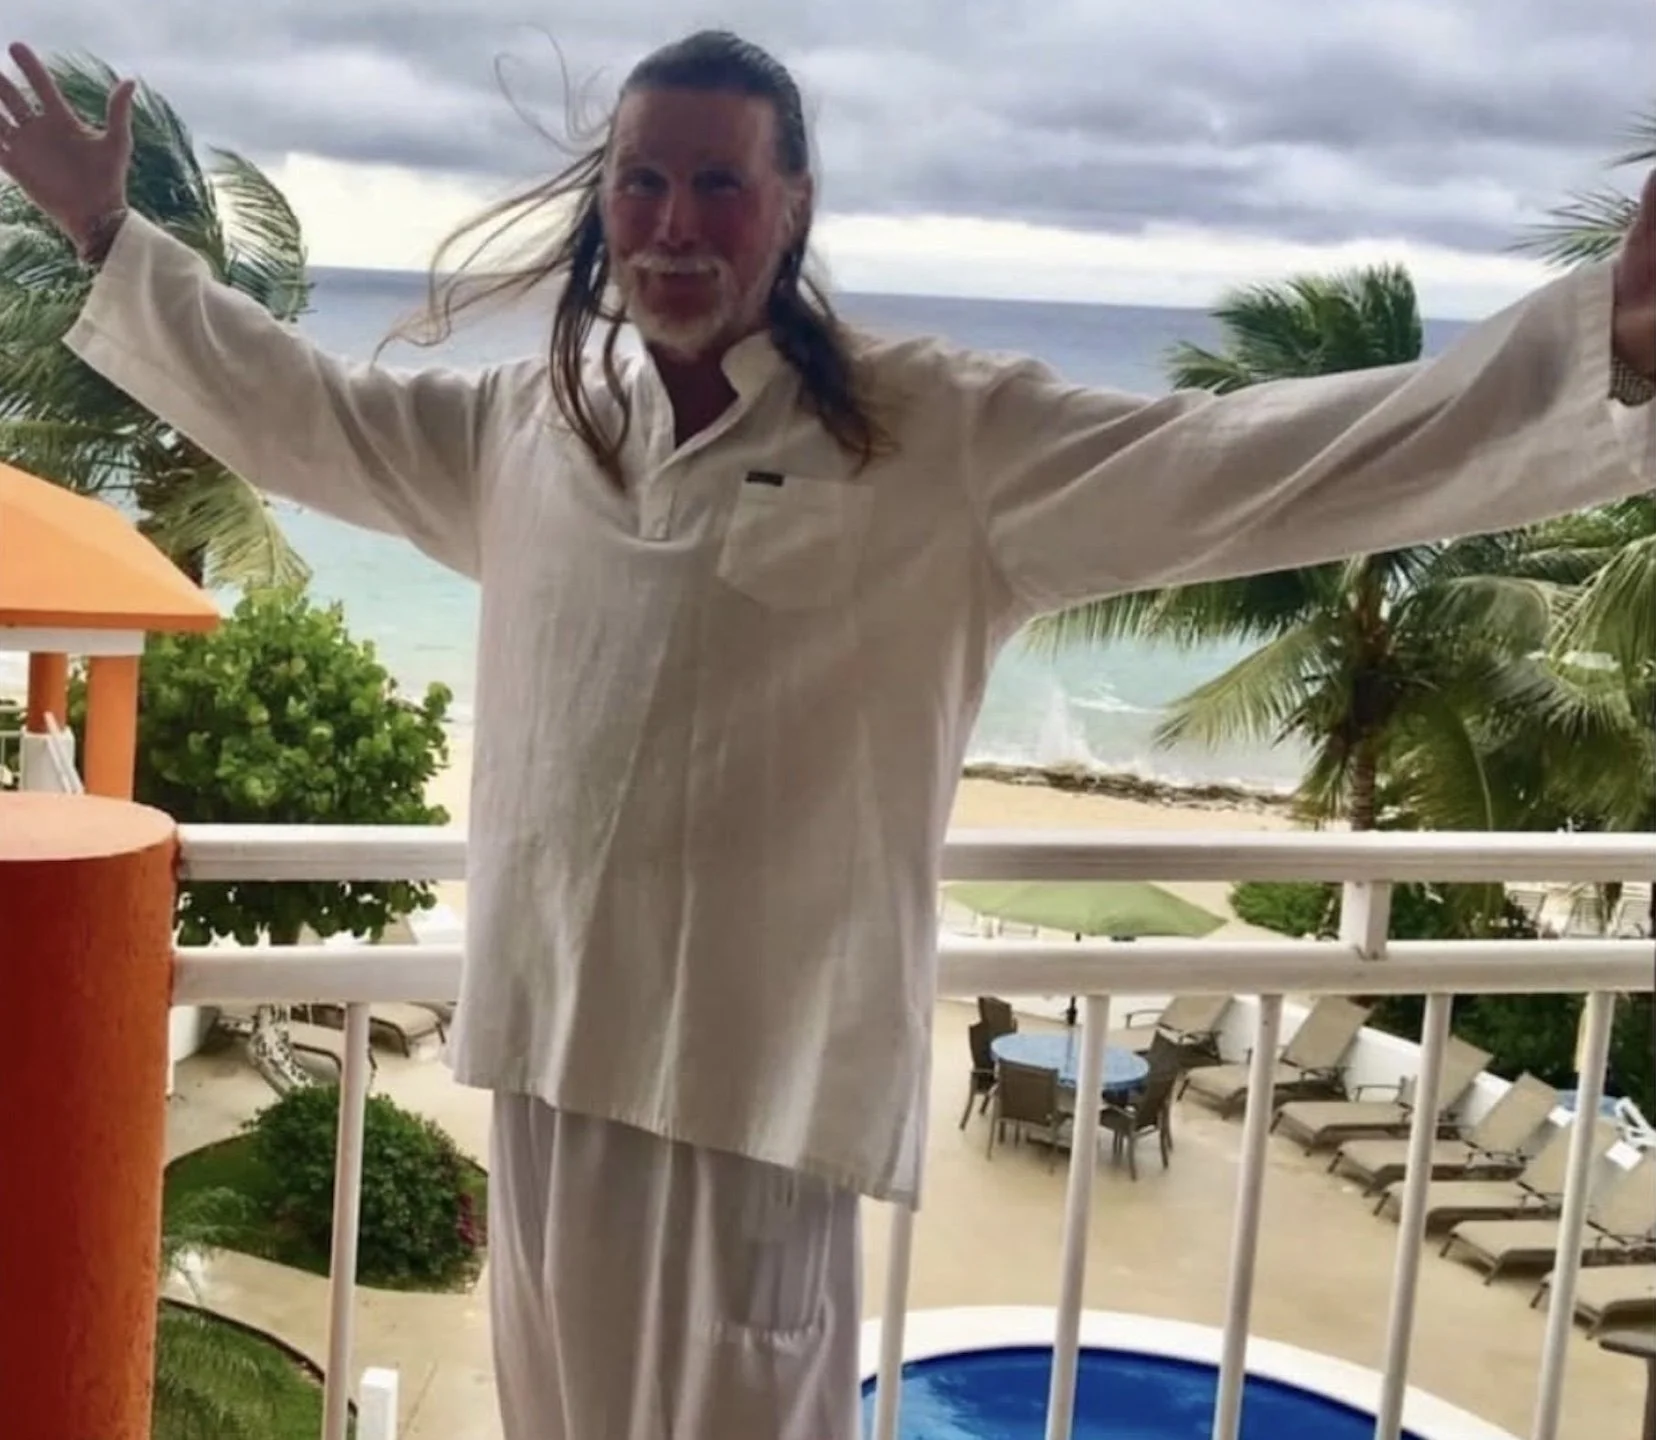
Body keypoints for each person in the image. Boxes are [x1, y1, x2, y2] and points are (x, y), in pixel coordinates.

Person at [2, 27, 1653, 1440]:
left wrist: (1594, 349)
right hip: (551, 1057)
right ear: (603, 205)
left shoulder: (939, 432)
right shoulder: (537, 424)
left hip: (758, 1100)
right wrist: (109, 244)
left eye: (720, 182)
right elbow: (313, 414)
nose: (673, 223)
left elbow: (1251, 463)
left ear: (793, 205)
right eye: (642, 181)